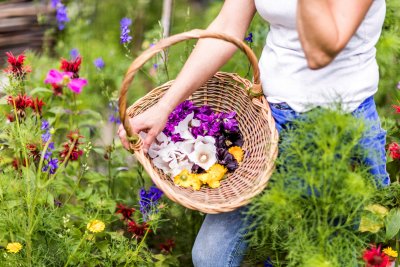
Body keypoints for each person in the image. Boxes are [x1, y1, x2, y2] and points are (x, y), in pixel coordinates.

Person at [118, 0, 390, 266]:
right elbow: (227, 27)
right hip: (271, 124)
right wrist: (166, 105)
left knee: (334, 254)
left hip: (340, 131)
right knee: (211, 256)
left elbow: (320, 52)